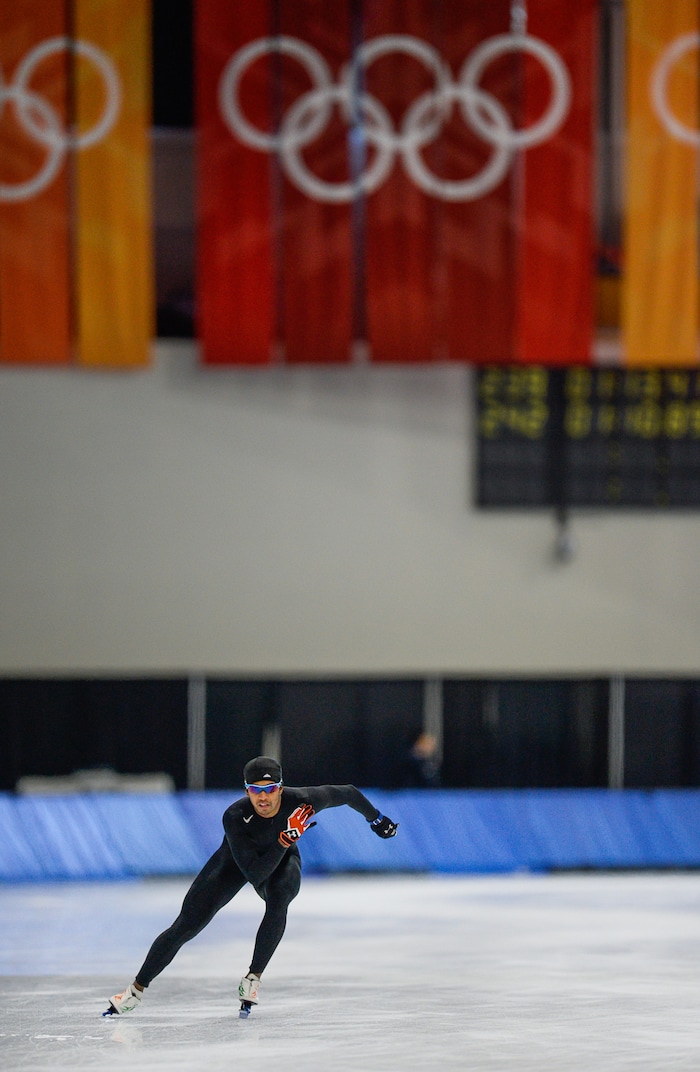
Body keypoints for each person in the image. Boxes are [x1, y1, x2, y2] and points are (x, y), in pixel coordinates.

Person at [103, 756, 398, 1018]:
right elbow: (256, 874)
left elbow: (348, 793)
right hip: (235, 862)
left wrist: (377, 820)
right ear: (247, 791)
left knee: (280, 896)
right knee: (186, 925)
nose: (264, 797)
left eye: (270, 789)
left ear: (281, 788)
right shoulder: (234, 816)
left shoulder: (304, 800)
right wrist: (285, 838)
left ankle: (253, 977)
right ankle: (135, 991)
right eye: (256, 790)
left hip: (282, 859)